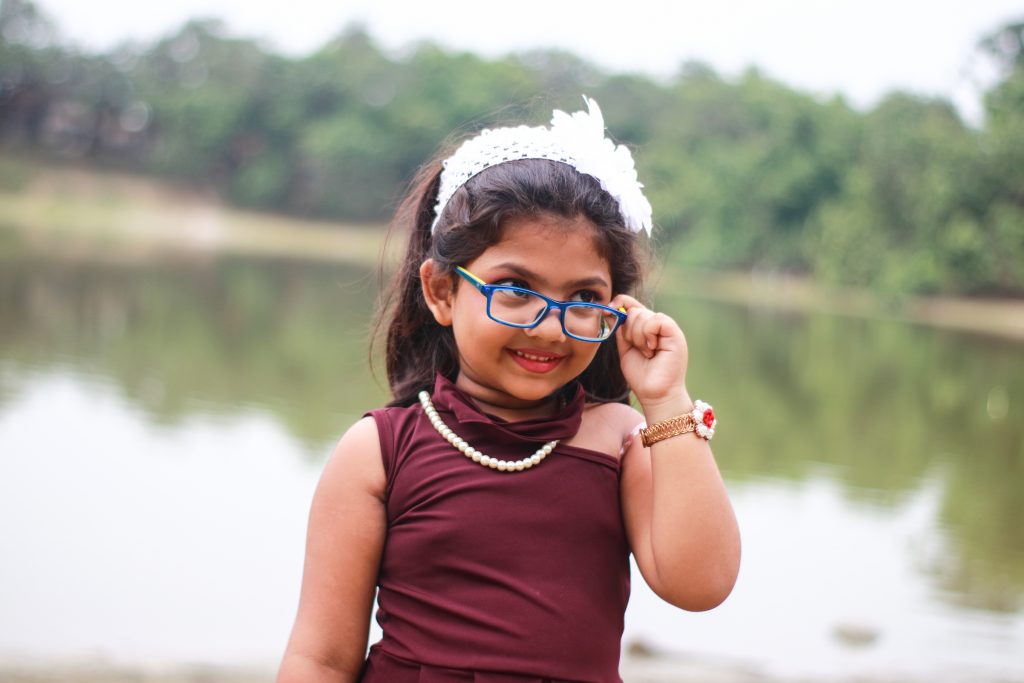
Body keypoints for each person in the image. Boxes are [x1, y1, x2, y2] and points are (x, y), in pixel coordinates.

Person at [277, 97, 741, 683]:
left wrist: (666, 400)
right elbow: (320, 658)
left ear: (616, 310)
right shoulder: (379, 451)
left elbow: (701, 584)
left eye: (583, 299)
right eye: (515, 288)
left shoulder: (623, 441)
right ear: (443, 292)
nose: (549, 326)